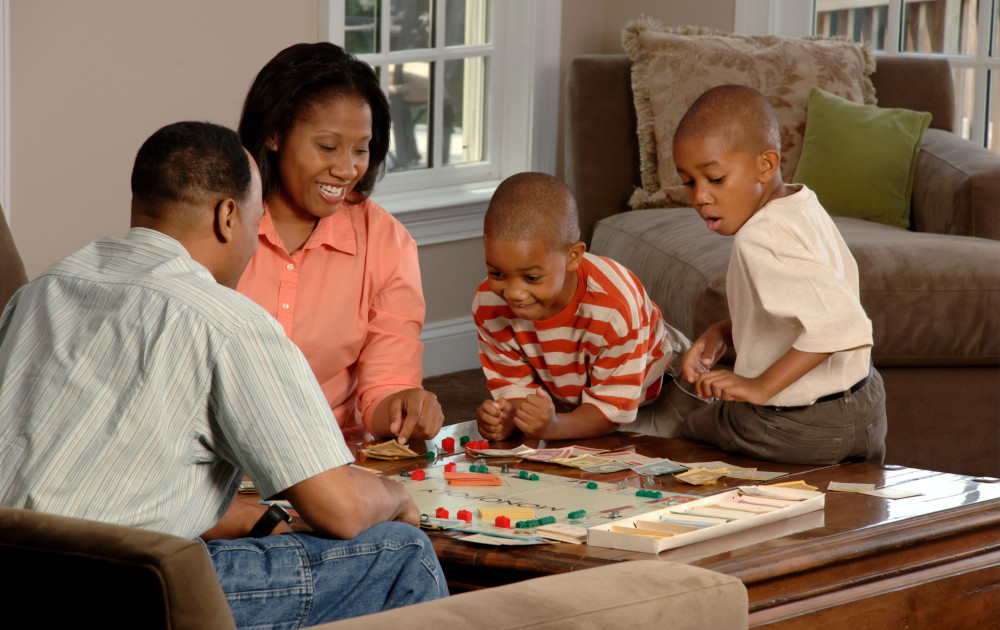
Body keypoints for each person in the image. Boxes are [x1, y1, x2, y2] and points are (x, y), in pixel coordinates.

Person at [0, 122, 448, 628]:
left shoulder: (42, 292)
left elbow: (118, 480)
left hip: (12, 580)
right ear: (228, 216)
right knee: (401, 553)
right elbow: (340, 510)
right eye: (257, 219)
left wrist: (264, 520)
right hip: (122, 597)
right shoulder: (227, 321)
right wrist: (395, 498)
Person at [237, 42, 442, 445]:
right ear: (275, 133)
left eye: (361, 149)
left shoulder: (386, 242)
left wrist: (404, 408)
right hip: (225, 460)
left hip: (332, 456)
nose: (347, 168)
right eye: (327, 147)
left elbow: (386, 384)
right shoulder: (220, 223)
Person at [673, 84, 887, 465]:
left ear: (765, 165)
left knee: (689, 429)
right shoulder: (801, 203)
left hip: (799, 423)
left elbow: (841, 325)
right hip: (866, 407)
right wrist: (726, 330)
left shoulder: (760, 235)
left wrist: (759, 387)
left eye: (715, 179)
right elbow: (815, 304)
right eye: (690, 182)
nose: (700, 197)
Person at [472, 172, 697, 441]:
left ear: (573, 257)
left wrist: (554, 427)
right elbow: (517, 393)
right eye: (497, 274)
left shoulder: (614, 309)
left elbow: (610, 411)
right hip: (577, 396)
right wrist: (510, 417)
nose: (513, 293)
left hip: (659, 388)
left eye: (531, 278)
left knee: (668, 454)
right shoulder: (489, 304)